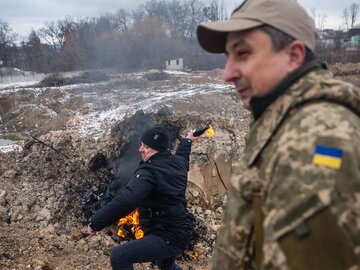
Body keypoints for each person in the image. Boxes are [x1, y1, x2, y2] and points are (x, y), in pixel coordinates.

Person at [196, 0, 360, 269]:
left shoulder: (313, 141)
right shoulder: (283, 123)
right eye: (228, 56)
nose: (227, 74)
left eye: (243, 53)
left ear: (293, 56)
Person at [88, 125, 201, 270]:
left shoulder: (149, 173)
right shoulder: (178, 163)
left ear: (158, 150)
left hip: (166, 235)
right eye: (142, 144)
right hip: (180, 230)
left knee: (119, 256)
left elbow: (128, 200)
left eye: (146, 147)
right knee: (165, 264)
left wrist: (96, 222)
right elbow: (182, 154)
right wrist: (187, 141)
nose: (141, 149)